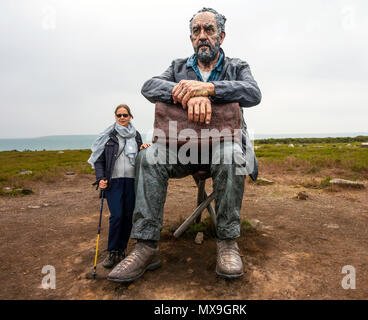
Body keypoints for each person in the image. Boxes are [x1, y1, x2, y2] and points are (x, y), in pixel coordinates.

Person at [107, 8, 261, 283]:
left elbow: (252, 93)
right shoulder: (178, 67)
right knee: (149, 158)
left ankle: (227, 242)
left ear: (221, 36)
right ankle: (146, 246)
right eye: (196, 31)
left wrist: (209, 90)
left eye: (209, 30)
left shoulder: (237, 67)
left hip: (222, 147)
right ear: (191, 38)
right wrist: (187, 95)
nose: (202, 35)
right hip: (182, 148)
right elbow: (149, 86)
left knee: (232, 156)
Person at [88, 104, 150, 269]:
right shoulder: (109, 135)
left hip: (131, 181)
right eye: (119, 115)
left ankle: (122, 249)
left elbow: (138, 156)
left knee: (128, 216)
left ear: (131, 116)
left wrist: (142, 148)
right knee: (117, 216)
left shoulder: (135, 135)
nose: (122, 118)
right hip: (113, 181)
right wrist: (100, 177)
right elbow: (99, 160)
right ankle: (112, 251)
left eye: (125, 115)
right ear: (115, 117)